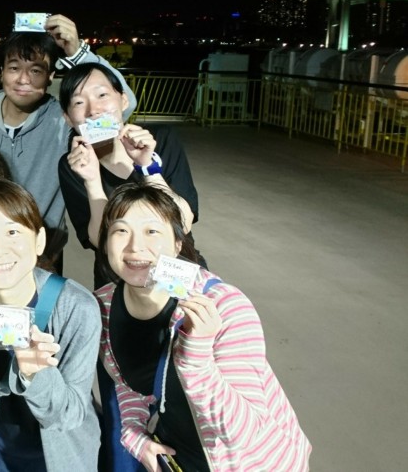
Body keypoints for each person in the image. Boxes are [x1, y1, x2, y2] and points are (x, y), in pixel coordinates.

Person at [96, 182, 311, 471]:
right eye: (121, 231)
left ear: (177, 244)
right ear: (105, 242)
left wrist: (196, 360)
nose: (135, 246)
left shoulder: (224, 305)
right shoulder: (103, 307)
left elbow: (243, 435)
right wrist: (134, 433)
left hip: (255, 463)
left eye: (152, 231)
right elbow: (129, 384)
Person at [0, 180, 101, 471]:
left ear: (39, 241)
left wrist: (38, 375)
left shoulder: (77, 307)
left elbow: (69, 417)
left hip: (60, 456)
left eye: (13, 232)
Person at [0, 14, 136, 272]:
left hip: (44, 255)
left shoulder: (62, 120)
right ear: (1, 72)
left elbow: (124, 104)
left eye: (36, 71)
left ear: (51, 76)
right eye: (14, 68)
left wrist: (78, 52)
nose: (23, 79)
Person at [57, 61, 199, 288]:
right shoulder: (72, 166)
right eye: (79, 102)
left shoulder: (161, 140)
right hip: (118, 277)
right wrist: (92, 180)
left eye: (102, 95)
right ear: (67, 118)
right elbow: (101, 241)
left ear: (123, 100)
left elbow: (182, 223)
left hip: (174, 272)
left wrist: (148, 167)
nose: (93, 110)